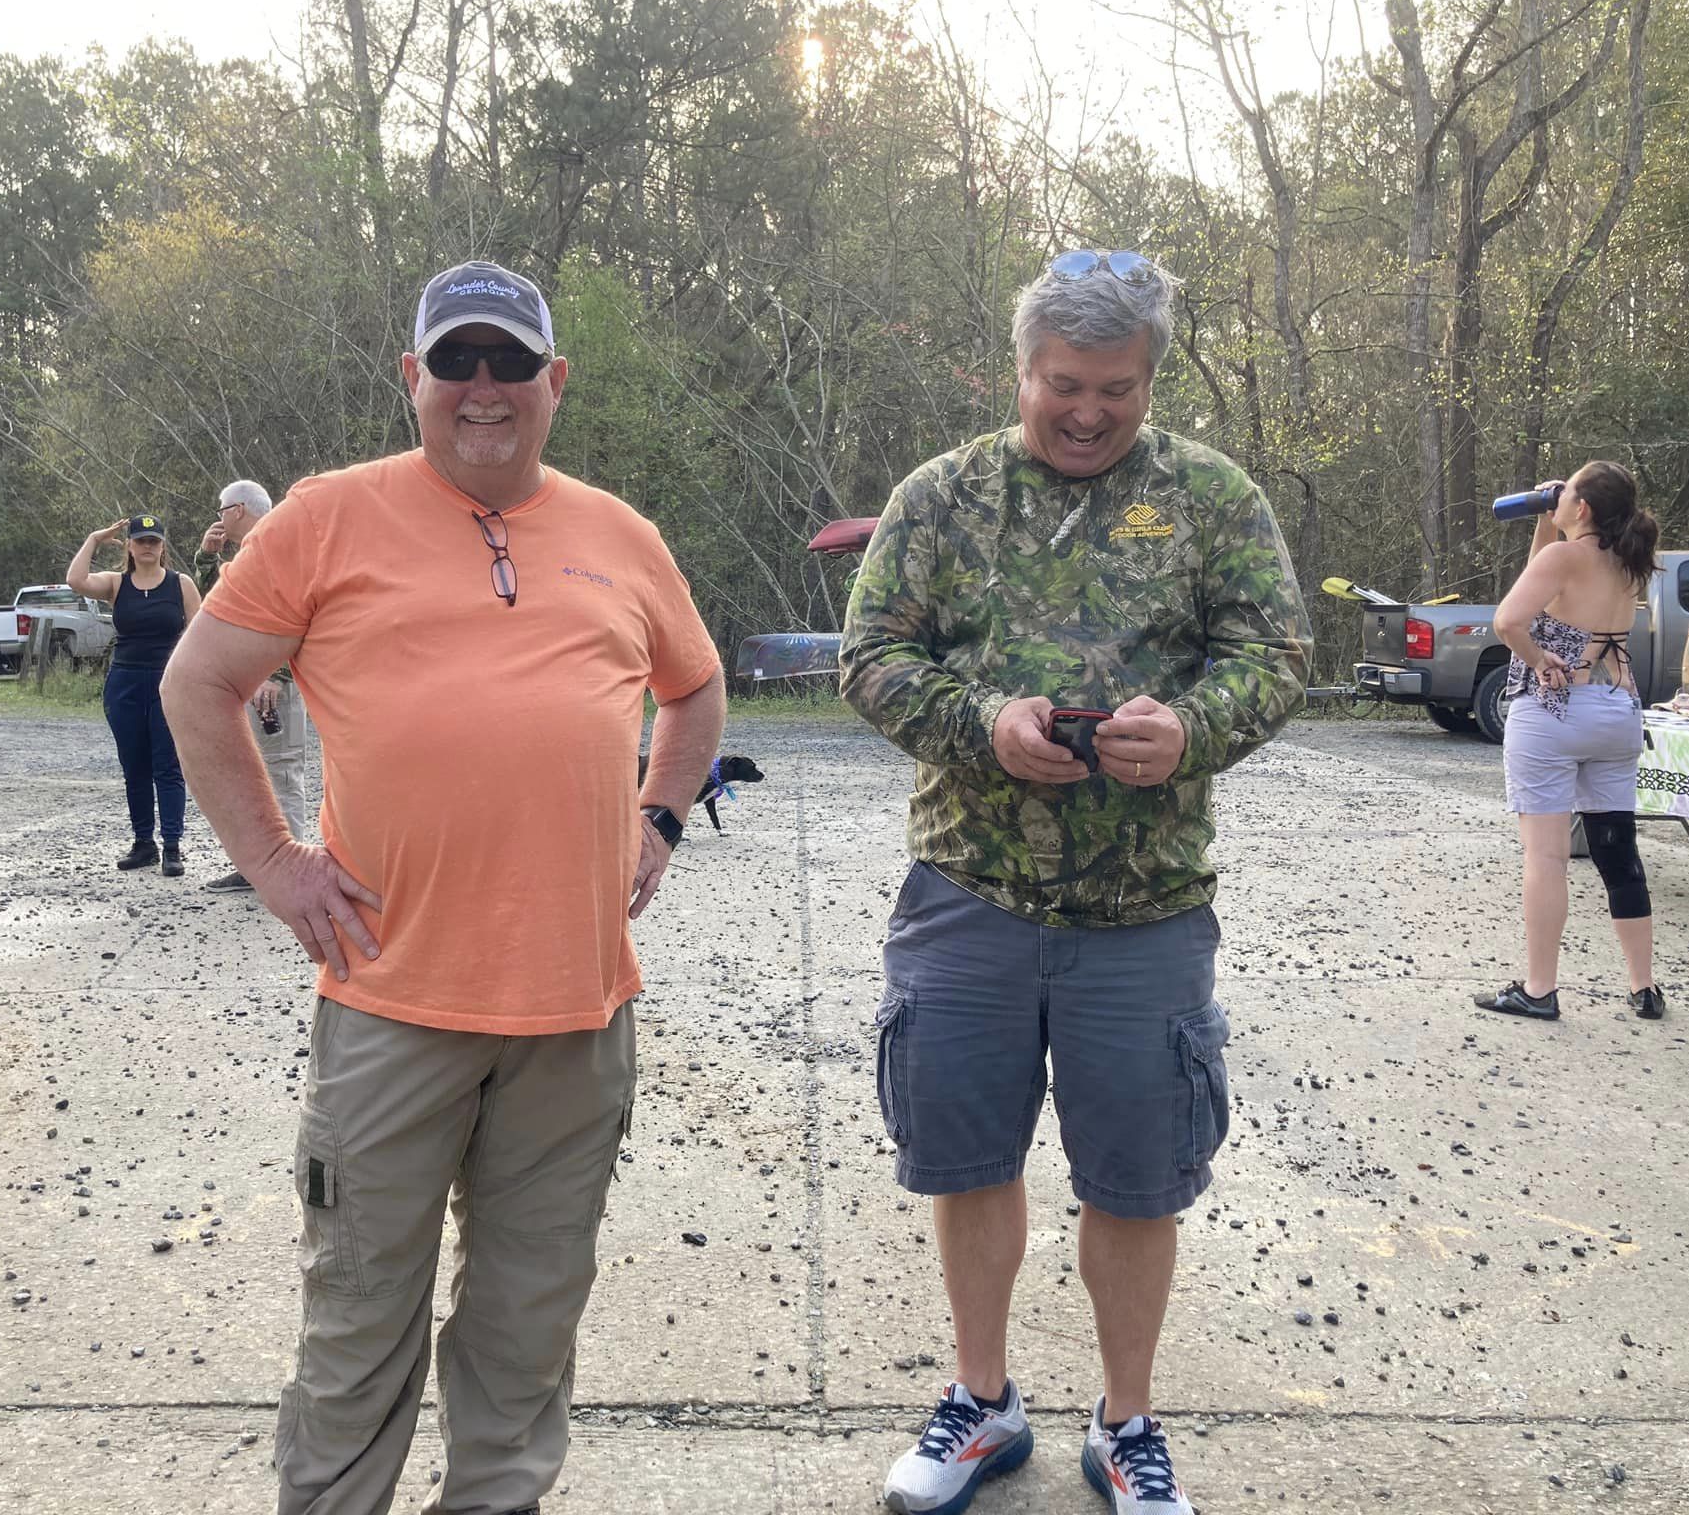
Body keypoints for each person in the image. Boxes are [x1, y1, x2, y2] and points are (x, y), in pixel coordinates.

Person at [160, 259, 724, 1515]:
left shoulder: (618, 533)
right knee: (359, 1321)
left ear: (552, 382)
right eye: (455, 363)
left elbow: (693, 689)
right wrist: (270, 861)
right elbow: (196, 687)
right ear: (412, 378)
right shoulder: (324, 517)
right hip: (389, 999)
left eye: (510, 364)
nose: (483, 388)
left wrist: (660, 817)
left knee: (526, 1331)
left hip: (575, 1015)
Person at [840, 249, 1312, 1515]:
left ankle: (1125, 1422)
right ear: (1021, 371)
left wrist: (1196, 729)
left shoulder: (1210, 498)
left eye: (1115, 387)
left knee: (1134, 1173)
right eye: (1063, 385)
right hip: (967, 892)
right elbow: (869, 656)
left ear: (1148, 378)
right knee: (964, 1155)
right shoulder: (940, 499)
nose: (1088, 410)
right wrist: (978, 723)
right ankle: (982, 1402)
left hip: (1144, 908)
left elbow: (1273, 651)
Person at [1479, 461, 1665, 1022]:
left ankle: (1539, 990)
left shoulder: (1565, 559)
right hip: (1615, 708)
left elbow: (1510, 620)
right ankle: (1643, 987)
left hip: (1555, 713)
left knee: (1547, 855)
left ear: (1581, 508)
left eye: (1566, 492)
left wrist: (1538, 660)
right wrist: (1546, 516)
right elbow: (1548, 573)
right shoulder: (1630, 561)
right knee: (1617, 849)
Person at [67, 513, 201, 875]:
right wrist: (94, 538)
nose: (147, 547)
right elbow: (76, 580)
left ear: (162, 547)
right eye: (140, 541)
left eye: (153, 541)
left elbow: (201, 633)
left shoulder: (180, 584)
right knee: (135, 766)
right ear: (129, 545)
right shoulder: (116, 584)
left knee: (168, 765)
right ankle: (144, 843)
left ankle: (172, 846)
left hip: (168, 682)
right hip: (125, 683)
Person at [194, 478, 308, 893]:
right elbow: (219, 605)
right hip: (249, 681)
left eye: (221, 510)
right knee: (253, 774)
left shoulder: (277, 543)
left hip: (275, 684)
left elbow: (295, 609)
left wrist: (275, 675)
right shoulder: (250, 551)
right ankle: (257, 866)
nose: (219, 518)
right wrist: (207, 559)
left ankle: (292, 867)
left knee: (282, 770)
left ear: (237, 510)